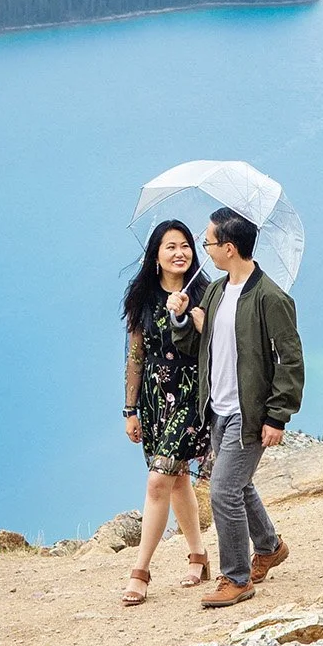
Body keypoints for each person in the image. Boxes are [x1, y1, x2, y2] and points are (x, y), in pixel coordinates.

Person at [194, 205, 303, 608]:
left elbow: (290, 359)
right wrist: (183, 319)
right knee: (240, 485)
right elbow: (205, 344)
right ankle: (270, 547)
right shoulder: (217, 290)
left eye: (208, 241)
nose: (203, 247)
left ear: (228, 247)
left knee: (223, 491)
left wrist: (278, 415)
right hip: (218, 408)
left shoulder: (271, 297)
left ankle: (237, 578)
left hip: (249, 411)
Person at [119, 219, 212, 606]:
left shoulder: (206, 293)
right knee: (176, 481)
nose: (180, 253)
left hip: (191, 394)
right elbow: (136, 355)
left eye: (186, 245)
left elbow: (215, 339)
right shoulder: (143, 297)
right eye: (171, 246)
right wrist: (130, 408)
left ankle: (140, 572)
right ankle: (199, 556)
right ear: (155, 255)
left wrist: (190, 315)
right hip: (156, 400)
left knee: (158, 481)